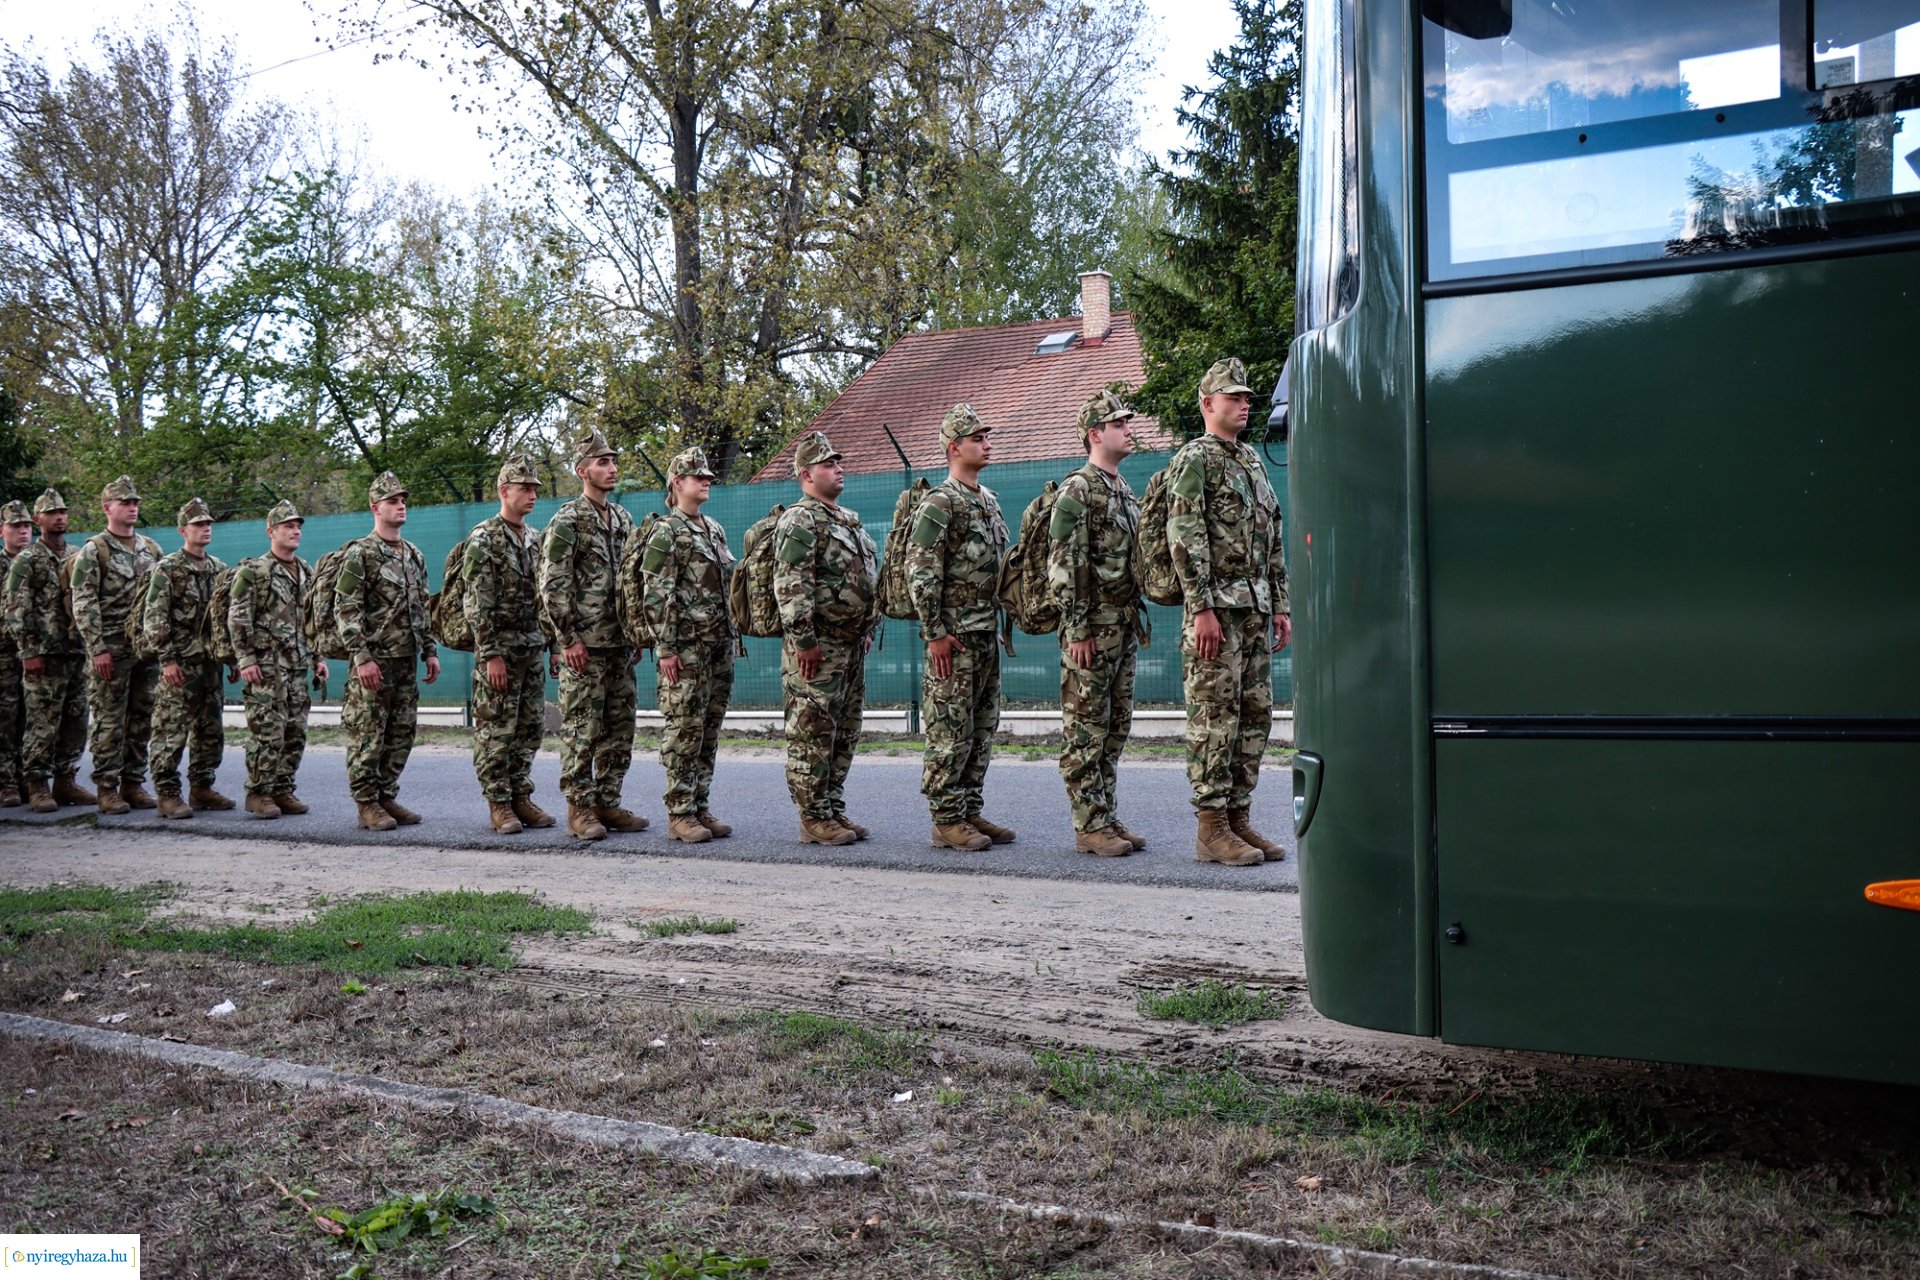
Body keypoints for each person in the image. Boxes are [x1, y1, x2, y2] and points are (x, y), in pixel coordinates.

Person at [1166, 357, 1292, 866]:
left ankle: (1239, 817)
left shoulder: (1251, 462)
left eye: (1247, 398)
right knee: (1214, 716)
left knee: (1253, 716)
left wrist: (1280, 605)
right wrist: (1200, 607)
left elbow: (1272, 538)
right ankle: (1211, 827)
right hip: (1215, 613)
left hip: (1254, 612)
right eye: (1234, 397)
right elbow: (1184, 536)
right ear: (1207, 403)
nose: (1244, 405)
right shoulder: (1194, 459)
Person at [906, 404, 1011, 851]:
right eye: (977, 438)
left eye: (987, 436)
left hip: (985, 632)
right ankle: (945, 818)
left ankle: (968, 809)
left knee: (983, 725)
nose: (986, 443)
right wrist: (934, 632)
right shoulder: (940, 502)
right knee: (950, 728)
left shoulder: (986, 500)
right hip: (954, 637)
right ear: (955, 448)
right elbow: (921, 570)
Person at [1048, 390, 1148, 858]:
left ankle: (1105, 813)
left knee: (1115, 725)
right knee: (1086, 726)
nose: (1129, 429)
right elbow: (1065, 564)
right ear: (1095, 434)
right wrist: (1077, 628)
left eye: (1127, 422)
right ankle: (1088, 823)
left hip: (1122, 623)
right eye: (1119, 424)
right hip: (1092, 626)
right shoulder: (1078, 489)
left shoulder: (1122, 489)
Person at [773, 431, 879, 846]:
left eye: (839, 463)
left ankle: (832, 806)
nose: (839, 469)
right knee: (812, 729)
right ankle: (812, 816)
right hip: (819, 647)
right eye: (828, 464)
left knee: (844, 729)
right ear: (806, 474)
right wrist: (804, 641)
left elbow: (863, 579)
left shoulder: (847, 519)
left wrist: (866, 628)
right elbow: (791, 584)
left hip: (850, 644)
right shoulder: (800, 520)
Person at [541, 428, 645, 841]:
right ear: (582, 470)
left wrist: (637, 631)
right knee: (582, 728)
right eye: (603, 462)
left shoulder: (621, 518)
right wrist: (568, 640)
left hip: (620, 643)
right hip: (584, 645)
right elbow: (552, 585)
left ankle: (608, 801)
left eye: (613, 461)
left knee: (620, 728)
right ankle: (580, 809)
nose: (612, 468)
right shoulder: (567, 519)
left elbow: (633, 581)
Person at [641, 446, 738, 844]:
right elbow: (656, 594)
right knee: (684, 730)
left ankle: (699, 805)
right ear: (677, 484)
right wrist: (666, 648)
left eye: (709, 477)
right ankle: (679, 812)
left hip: (717, 645)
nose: (706, 482)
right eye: (698, 477)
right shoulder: (667, 531)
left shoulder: (712, 529)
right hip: (686, 649)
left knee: (708, 730)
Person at [335, 471, 439, 831]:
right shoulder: (360, 554)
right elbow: (347, 610)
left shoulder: (413, 555)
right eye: (393, 501)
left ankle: (386, 795)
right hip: (374, 662)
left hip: (406, 660)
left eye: (403, 500)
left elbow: (421, 606)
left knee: (401, 732)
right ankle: (366, 803)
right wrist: (361, 657)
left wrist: (429, 649)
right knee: (368, 732)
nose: (401, 506)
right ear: (374, 507)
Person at [464, 456, 558, 834]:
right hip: (500, 653)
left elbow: (544, 598)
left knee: (529, 728)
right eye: (525, 488)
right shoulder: (483, 538)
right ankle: (498, 803)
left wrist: (551, 646)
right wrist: (490, 654)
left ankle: (521, 795)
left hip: (532, 648)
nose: (532, 494)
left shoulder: (534, 539)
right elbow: (476, 603)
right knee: (496, 729)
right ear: (505, 491)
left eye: (535, 488)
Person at [70, 475, 163, 815]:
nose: (133, 507)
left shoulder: (150, 548)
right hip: (110, 647)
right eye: (125, 503)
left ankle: (133, 783)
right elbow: (84, 603)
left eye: (135, 502)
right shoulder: (95, 550)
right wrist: (97, 648)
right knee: (110, 720)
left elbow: (159, 599)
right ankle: (107, 788)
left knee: (141, 717)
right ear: (107, 508)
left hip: (144, 648)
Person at [229, 500, 327, 818]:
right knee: (268, 730)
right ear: (271, 531)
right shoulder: (254, 571)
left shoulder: (305, 570)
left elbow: (312, 619)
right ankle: (258, 793)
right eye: (287, 525)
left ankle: (283, 789)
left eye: (297, 525)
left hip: (297, 664)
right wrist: (245, 659)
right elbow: (238, 616)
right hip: (267, 665)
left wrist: (318, 657)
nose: (295, 530)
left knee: (295, 730)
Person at [143, 497, 232, 819]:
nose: (205, 529)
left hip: (209, 664)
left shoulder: (220, 569)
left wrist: (231, 659)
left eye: (208, 524)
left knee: (211, 729)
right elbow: (155, 618)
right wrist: (166, 659)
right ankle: (167, 794)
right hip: (179, 664)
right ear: (183, 530)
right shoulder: (167, 569)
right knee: (171, 730)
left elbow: (224, 620)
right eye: (198, 524)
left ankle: (202, 788)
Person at [4, 490, 91, 812]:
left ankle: (66, 780)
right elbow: (15, 608)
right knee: (41, 722)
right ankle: (37, 784)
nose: (59, 517)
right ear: (39, 519)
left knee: (76, 719)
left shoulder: (77, 554)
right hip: (44, 653)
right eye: (52, 512)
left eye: (63, 512)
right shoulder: (28, 559)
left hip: (74, 652)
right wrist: (28, 651)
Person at [0, 500, 32, 806]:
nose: (22, 532)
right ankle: (6, 782)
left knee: (32, 719)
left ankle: (28, 779)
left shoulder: (38, 562)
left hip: (36, 653)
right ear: (2, 530)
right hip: (5, 655)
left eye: (26, 526)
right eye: (15, 526)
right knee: (6, 718)